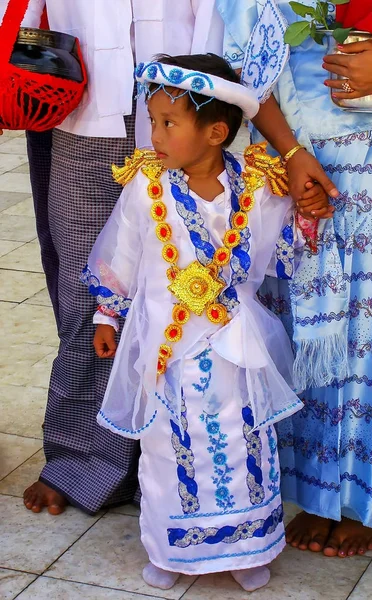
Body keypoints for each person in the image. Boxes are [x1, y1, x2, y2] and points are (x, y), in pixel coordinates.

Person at [217, 0, 372, 557]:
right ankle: (312, 497)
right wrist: (291, 153)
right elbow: (246, 58)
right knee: (297, 324)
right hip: (293, 148)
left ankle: (362, 499)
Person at [84, 52, 306, 592]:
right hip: (168, 345)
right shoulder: (146, 187)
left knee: (242, 438)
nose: (154, 135)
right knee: (169, 444)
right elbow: (124, 256)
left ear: (215, 132)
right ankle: (173, 551)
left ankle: (246, 548)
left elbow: (285, 251)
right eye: (153, 121)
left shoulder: (255, 187)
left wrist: (306, 210)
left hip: (235, 346)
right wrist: (106, 316)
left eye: (168, 123)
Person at [0, 0, 223, 515]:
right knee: (89, 288)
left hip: (187, 114)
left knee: (183, 283)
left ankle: (176, 460)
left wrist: (211, 101)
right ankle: (81, 457)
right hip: (83, 108)